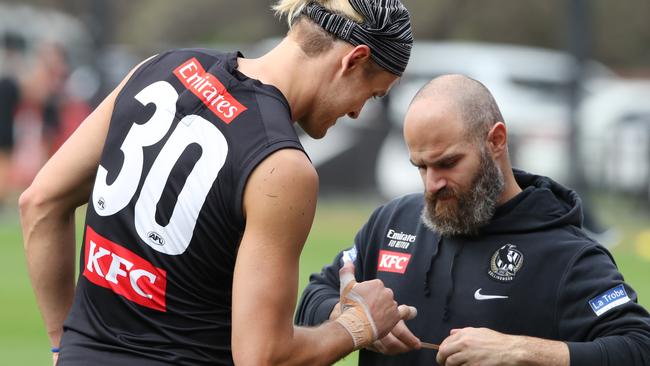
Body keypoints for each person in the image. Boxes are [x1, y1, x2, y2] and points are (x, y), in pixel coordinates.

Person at [19, 1, 415, 365]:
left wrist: (62, 344)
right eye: (371, 93)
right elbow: (262, 356)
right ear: (354, 59)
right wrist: (357, 325)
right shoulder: (282, 166)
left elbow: (40, 201)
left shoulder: (161, 67)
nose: (357, 111)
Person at [295, 74, 650, 366]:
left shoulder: (568, 254)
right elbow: (314, 296)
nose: (432, 184)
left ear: (495, 141)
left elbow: (639, 347)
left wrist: (519, 351)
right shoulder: (392, 222)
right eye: (421, 167)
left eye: (447, 163)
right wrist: (353, 320)